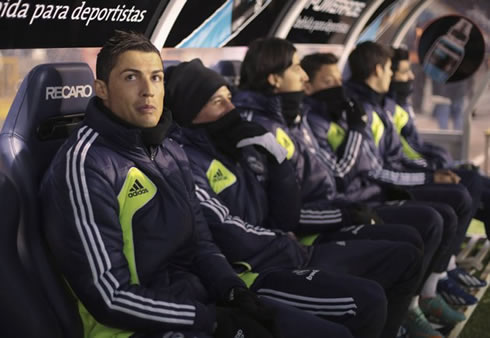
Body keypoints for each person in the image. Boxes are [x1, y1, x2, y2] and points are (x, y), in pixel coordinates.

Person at [41, 30, 285, 338]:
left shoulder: (169, 149)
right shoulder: (84, 166)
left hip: (191, 302)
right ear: (100, 89)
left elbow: (201, 243)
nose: (148, 91)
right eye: (131, 77)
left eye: (156, 78)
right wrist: (210, 319)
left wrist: (232, 290)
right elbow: (109, 297)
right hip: (130, 328)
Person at [165, 58, 391, 338]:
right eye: (217, 102)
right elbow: (227, 232)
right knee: (366, 302)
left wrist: (278, 161)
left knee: (392, 264)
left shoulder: (235, 144)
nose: (230, 109)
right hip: (250, 273)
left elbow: (284, 216)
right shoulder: (185, 160)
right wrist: (284, 241)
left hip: (278, 252)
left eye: (229, 98)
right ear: (190, 112)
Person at [232, 37, 426, 338]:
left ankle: (411, 311)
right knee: (394, 264)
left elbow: (332, 177)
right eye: (298, 69)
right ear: (274, 78)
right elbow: (286, 212)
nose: (305, 77)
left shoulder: (290, 120)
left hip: (323, 219)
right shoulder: (261, 130)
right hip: (306, 237)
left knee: (410, 244)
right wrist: (348, 214)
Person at [300, 51, 468, 338]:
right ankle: (408, 310)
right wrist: (355, 130)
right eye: (329, 81)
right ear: (307, 86)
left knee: (453, 202)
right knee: (428, 221)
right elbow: (340, 174)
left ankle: (424, 295)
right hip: (349, 206)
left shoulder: (345, 110)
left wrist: (433, 169)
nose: (338, 86)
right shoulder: (312, 121)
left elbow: (378, 161)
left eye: (339, 79)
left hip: (366, 196)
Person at [343, 41, 480, 308]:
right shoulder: (359, 108)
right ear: (379, 69)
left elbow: (399, 153)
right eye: (397, 71)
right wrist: (430, 176)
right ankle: (427, 293)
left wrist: (437, 169)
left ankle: (440, 278)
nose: (403, 77)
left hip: (387, 183)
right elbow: (374, 169)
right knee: (446, 207)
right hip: (372, 195)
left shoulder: (379, 105)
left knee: (468, 187)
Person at [389, 46, 490, 252]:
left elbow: (416, 145)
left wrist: (443, 163)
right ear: (384, 73)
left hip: (420, 170)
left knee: (480, 184)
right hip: (404, 181)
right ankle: (443, 270)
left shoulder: (399, 104)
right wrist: (433, 171)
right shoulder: (383, 110)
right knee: (468, 187)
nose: (410, 76)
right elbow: (398, 157)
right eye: (404, 72)